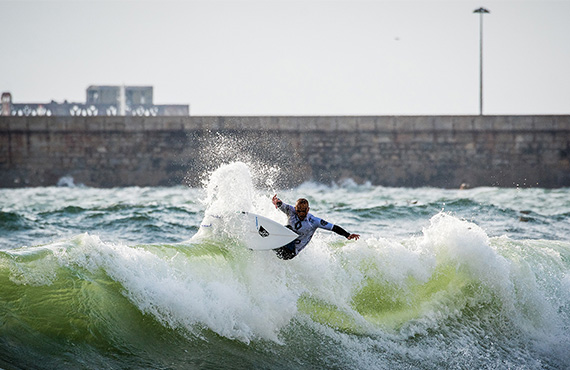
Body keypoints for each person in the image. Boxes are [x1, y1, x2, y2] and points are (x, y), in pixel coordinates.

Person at [271, 195, 360, 260]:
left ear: (308, 210)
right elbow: (281, 204)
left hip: (290, 252)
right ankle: (266, 240)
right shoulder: (291, 211)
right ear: (295, 209)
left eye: (303, 212)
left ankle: (268, 239)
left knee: (288, 228)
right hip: (282, 244)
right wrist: (277, 201)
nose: (301, 215)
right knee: (284, 228)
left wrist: (347, 235)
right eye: (299, 212)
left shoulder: (314, 221)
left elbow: (333, 227)